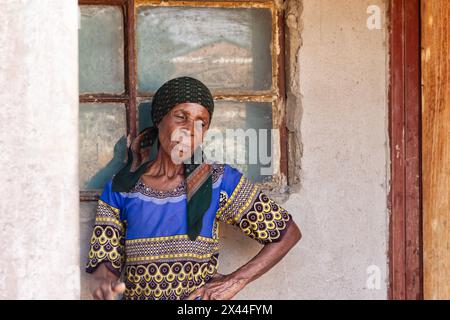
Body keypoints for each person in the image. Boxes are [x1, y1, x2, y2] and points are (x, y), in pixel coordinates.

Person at [85, 76, 302, 300]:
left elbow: (287, 233)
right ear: (159, 119)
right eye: (181, 117)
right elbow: (106, 262)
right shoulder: (122, 186)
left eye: (201, 123)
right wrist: (104, 283)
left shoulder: (218, 181)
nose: (190, 129)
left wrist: (235, 282)